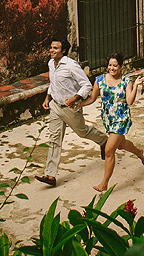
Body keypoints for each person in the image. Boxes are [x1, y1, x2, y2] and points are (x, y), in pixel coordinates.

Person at [35, 37, 107, 187]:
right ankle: (50, 175)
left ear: (63, 51)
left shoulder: (71, 66)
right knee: (54, 139)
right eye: (51, 48)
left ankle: (103, 141)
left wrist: (75, 99)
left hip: (70, 108)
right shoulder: (51, 63)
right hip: (55, 106)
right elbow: (53, 83)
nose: (52, 51)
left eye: (55, 48)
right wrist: (47, 98)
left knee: (82, 132)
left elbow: (86, 85)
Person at [80, 53, 144, 192]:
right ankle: (139, 152)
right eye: (110, 65)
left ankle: (104, 183)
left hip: (121, 118)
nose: (112, 68)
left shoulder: (126, 82)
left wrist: (135, 86)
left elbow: (129, 101)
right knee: (121, 144)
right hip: (108, 119)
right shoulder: (99, 80)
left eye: (115, 65)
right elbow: (92, 98)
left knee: (109, 150)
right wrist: (78, 105)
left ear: (121, 66)